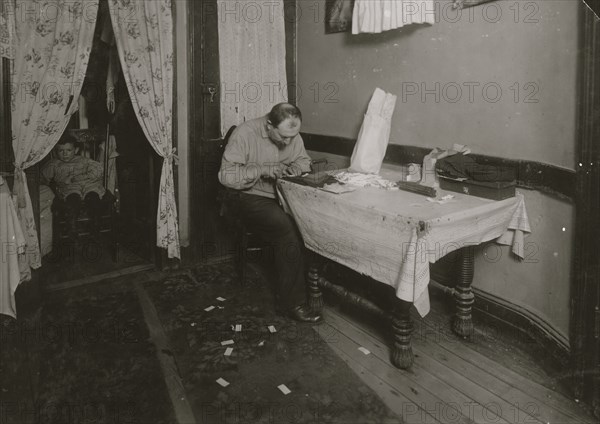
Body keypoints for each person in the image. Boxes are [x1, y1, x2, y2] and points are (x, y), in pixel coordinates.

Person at [218, 103, 322, 323]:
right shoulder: (245, 133)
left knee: (312, 221)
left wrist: (299, 168)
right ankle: (292, 304)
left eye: (292, 137)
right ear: (268, 126)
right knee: (286, 229)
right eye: (284, 137)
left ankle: (315, 289)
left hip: (282, 196)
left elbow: (303, 159)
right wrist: (262, 170)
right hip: (248, 196)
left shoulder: (291, 135)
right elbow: (226, 176)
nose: (288, 142)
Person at [42, 133, 106, 241]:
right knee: (72, 200)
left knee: (94, 198)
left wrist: (83, 176)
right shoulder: (54, 164)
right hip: (70, 188)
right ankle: (72, 228)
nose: (65, 154)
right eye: (61, 151)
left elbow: (98, 169)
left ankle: (95, 227)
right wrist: (51, 183)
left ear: (75, 150)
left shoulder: (84, 160)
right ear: (56, 151)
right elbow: (44, 177)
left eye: (68, 150)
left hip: (89, 185)